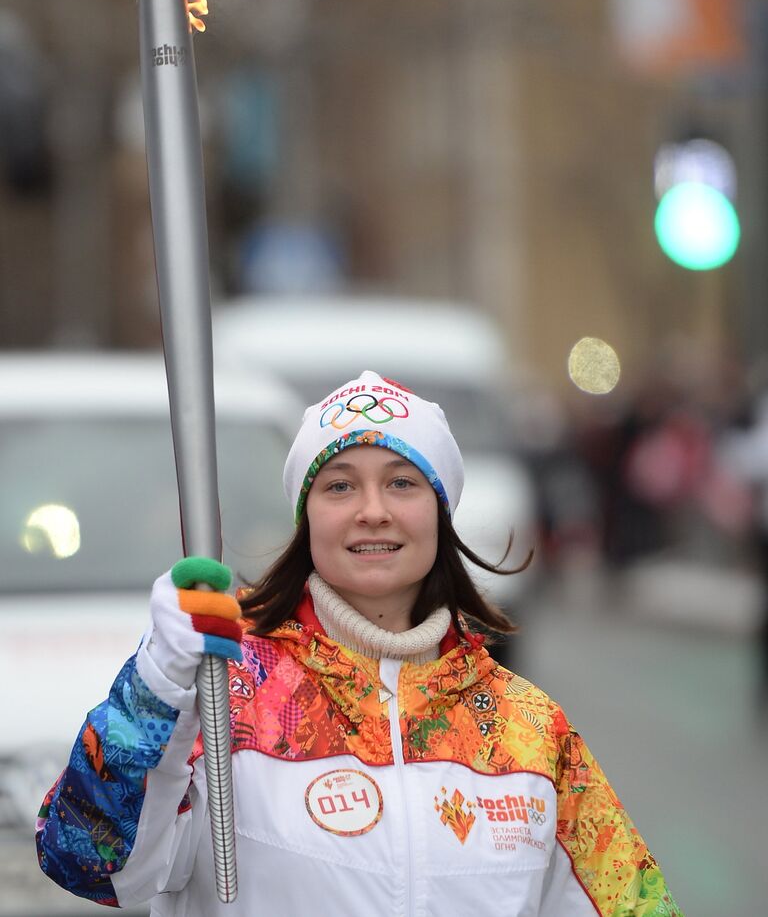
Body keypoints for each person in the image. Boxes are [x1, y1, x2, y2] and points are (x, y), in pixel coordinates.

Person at [36, 370, 683, 915]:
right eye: (340, 484)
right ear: (306, 516)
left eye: (401, 482)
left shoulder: (527, 732)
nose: (372, 509)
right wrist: (155, 687)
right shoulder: (227, 697)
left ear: (439, 511)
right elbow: (87, 860)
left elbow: (635, 903)